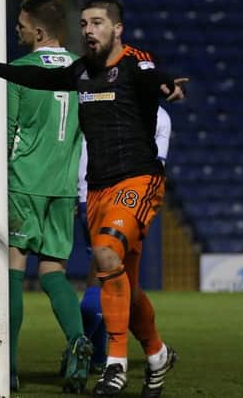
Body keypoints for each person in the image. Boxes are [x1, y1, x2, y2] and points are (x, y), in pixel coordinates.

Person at [0, 0, 187, 397]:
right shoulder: (80, 70)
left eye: (98, 23)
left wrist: (168, 86)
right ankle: (155, 354)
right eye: (83, 23)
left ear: (117, 28)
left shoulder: (136, 63)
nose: (89, 30)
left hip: (131, 180)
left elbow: (153, 77)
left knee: (95, 256)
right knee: (123, 287)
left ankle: (110, 366)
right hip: (89, 187)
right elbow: (42, 80)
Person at [0, 0, 92, 393]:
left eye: (22, 25)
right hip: (63, 187)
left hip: (22, 183)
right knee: (54, 271)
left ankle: (7, 367)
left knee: (12, 272)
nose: (17, 29)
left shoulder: (19, 72)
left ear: (39, 32)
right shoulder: (81, 70)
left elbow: (5, 135)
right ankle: (77, 342)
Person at [75, 106, 172, 374]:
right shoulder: (160, 115)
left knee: (104, 277)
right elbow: (157, 165)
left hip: (87, 196)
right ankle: (92, 352)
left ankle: (96, 353)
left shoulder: (98, 99)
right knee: (117, 282)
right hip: (125, 200)